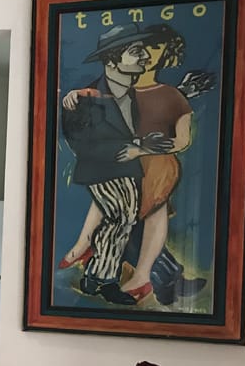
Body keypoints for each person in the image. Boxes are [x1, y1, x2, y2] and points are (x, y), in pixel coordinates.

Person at [59, 23, 207, 305]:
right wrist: (136, 148)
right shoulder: (91, 97)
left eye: (151, 50)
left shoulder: (144, 94)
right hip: (113, 169)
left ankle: (108, 274)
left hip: (146, 169)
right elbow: (85, 143)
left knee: (131, 220)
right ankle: (106, 270)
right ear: (114, 58)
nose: (146, 57)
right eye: (138, 51)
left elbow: (171, 128)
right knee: (120, 219)